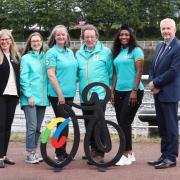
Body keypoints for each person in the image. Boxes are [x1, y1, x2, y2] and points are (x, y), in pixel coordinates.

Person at [76, 24, 113, 163]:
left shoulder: (106, 52)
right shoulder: (78, 53)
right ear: (83, 38)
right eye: (87, 37)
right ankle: (92, 149)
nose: (89, 39)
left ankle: (100, 152)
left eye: (92, 36)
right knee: (88, 123)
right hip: (84, 95)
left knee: (99, 122)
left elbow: (110, 73)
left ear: (97, 37)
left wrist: (109, 91)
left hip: (100, 94)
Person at [147, 18, 180, 169]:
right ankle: (164, 154)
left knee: (171, 126)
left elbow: (173, 71)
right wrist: (152, 82)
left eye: (168, 28)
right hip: (158, 92)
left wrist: (156, 83)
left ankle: (171, 158)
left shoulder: (178, 47)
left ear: (174, 30)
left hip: (169, 93)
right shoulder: (160, 45)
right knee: (162, 125)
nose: (165, 31)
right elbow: (153, 67)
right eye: (163, 29)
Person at [111, 25, 144, 166]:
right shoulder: (118, 52)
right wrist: (112, 91)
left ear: (131, 36)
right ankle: (129, 153)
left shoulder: (137, 51)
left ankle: (124, 154)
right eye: (121, 35)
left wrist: (134, 90)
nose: (123, 37)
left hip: (133, 93)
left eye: (126, 35)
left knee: (124, 121)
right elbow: (115, 73)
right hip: (118, 92)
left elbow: (139, 71)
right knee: (123, 123)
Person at [46, 25, 78, 162]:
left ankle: (62, 151)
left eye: (63, 35)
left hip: (70, 93)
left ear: (67, 37)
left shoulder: (70, 52)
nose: (61, 37)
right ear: (54, 37)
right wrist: (60, 94)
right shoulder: (51, 53)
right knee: (62, 122)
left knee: (65, 122)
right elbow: (51, 75)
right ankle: (59, 153)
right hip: (57, 95)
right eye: (58, 35)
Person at [20, 32, 49, 164]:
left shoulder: (45, 58)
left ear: (42, 42)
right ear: (30, 44)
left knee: (37, 127)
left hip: (42, 100)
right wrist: (29, 95)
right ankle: (29, 153)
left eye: (38, 41)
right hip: (30, 99)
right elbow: (23, 78)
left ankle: (34, 152)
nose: (36, 43)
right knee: (31, 127)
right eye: (33, 42)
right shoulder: (25, 58)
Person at [0, 29, 20, 168]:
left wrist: (20, 94)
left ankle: (4, 155)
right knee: (0, 126)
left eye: (7, 39)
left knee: (8, 127)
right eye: (2, 39)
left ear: (11, 41)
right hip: (1, 96)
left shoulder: (15, 57)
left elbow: (18, 78)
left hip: (13, 96)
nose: (5, 42)